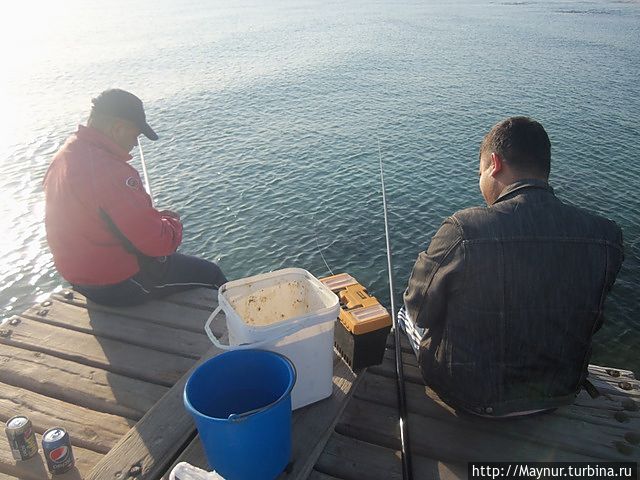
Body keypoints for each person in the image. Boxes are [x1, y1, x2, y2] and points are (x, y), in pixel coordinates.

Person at [400, 116, 624, 418]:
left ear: (494, 163)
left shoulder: (463, 230)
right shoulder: (607, 237)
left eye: (480, 171)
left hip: (470, 396)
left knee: (403, 315)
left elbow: (420, 311)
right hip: (559, 392)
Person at [43, 89, 227, 306]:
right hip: (118, 284)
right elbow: (158, 243)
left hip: (80, 278)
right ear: (117, 128)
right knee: (212, 275)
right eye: (135, 135)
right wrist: (172, 223)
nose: (135, 144)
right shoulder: (110, 172)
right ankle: (239, 332)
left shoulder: (65, 154)